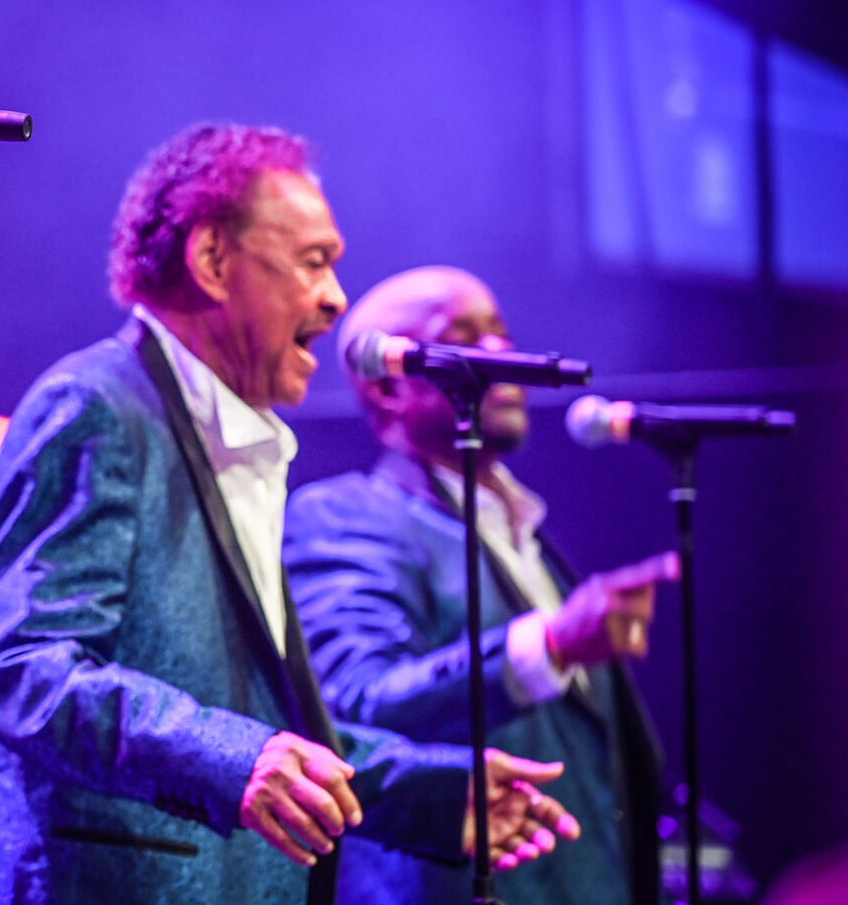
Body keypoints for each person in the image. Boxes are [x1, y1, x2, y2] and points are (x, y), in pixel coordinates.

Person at [0, 125, 579, 905]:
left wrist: (431, 795)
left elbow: (264, 726)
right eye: (313, 261)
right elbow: (19, 666)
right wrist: (231, 757)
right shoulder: (96, 406)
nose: (336, 299)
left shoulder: (224, 443)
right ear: (210, 260)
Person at [282, 265, 674, 904]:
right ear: (387, 386)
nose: (499, 351)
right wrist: (549, 646)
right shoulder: (347, 518)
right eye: (461, 337)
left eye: (501, 332)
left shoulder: (526, 528)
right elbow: (355, 702)